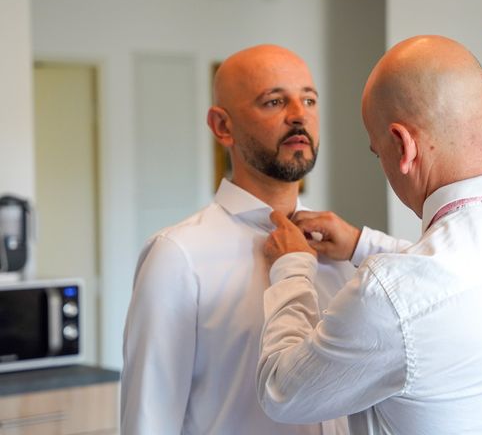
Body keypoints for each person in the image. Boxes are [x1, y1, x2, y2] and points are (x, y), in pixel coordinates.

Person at [256, 35, 482, 434]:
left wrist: (292, 268)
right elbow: (461, 280)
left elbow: (282, 391)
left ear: (402, 146)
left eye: (378, 154)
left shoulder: (388, 297)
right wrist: (362, 244)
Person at [120, 44, 407, 434]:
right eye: (274, 102)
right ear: (223, 127)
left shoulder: (343, 249)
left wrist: (360, 245)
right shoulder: (177, 256)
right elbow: (149, 420)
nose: (298, 115)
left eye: (309, 99)